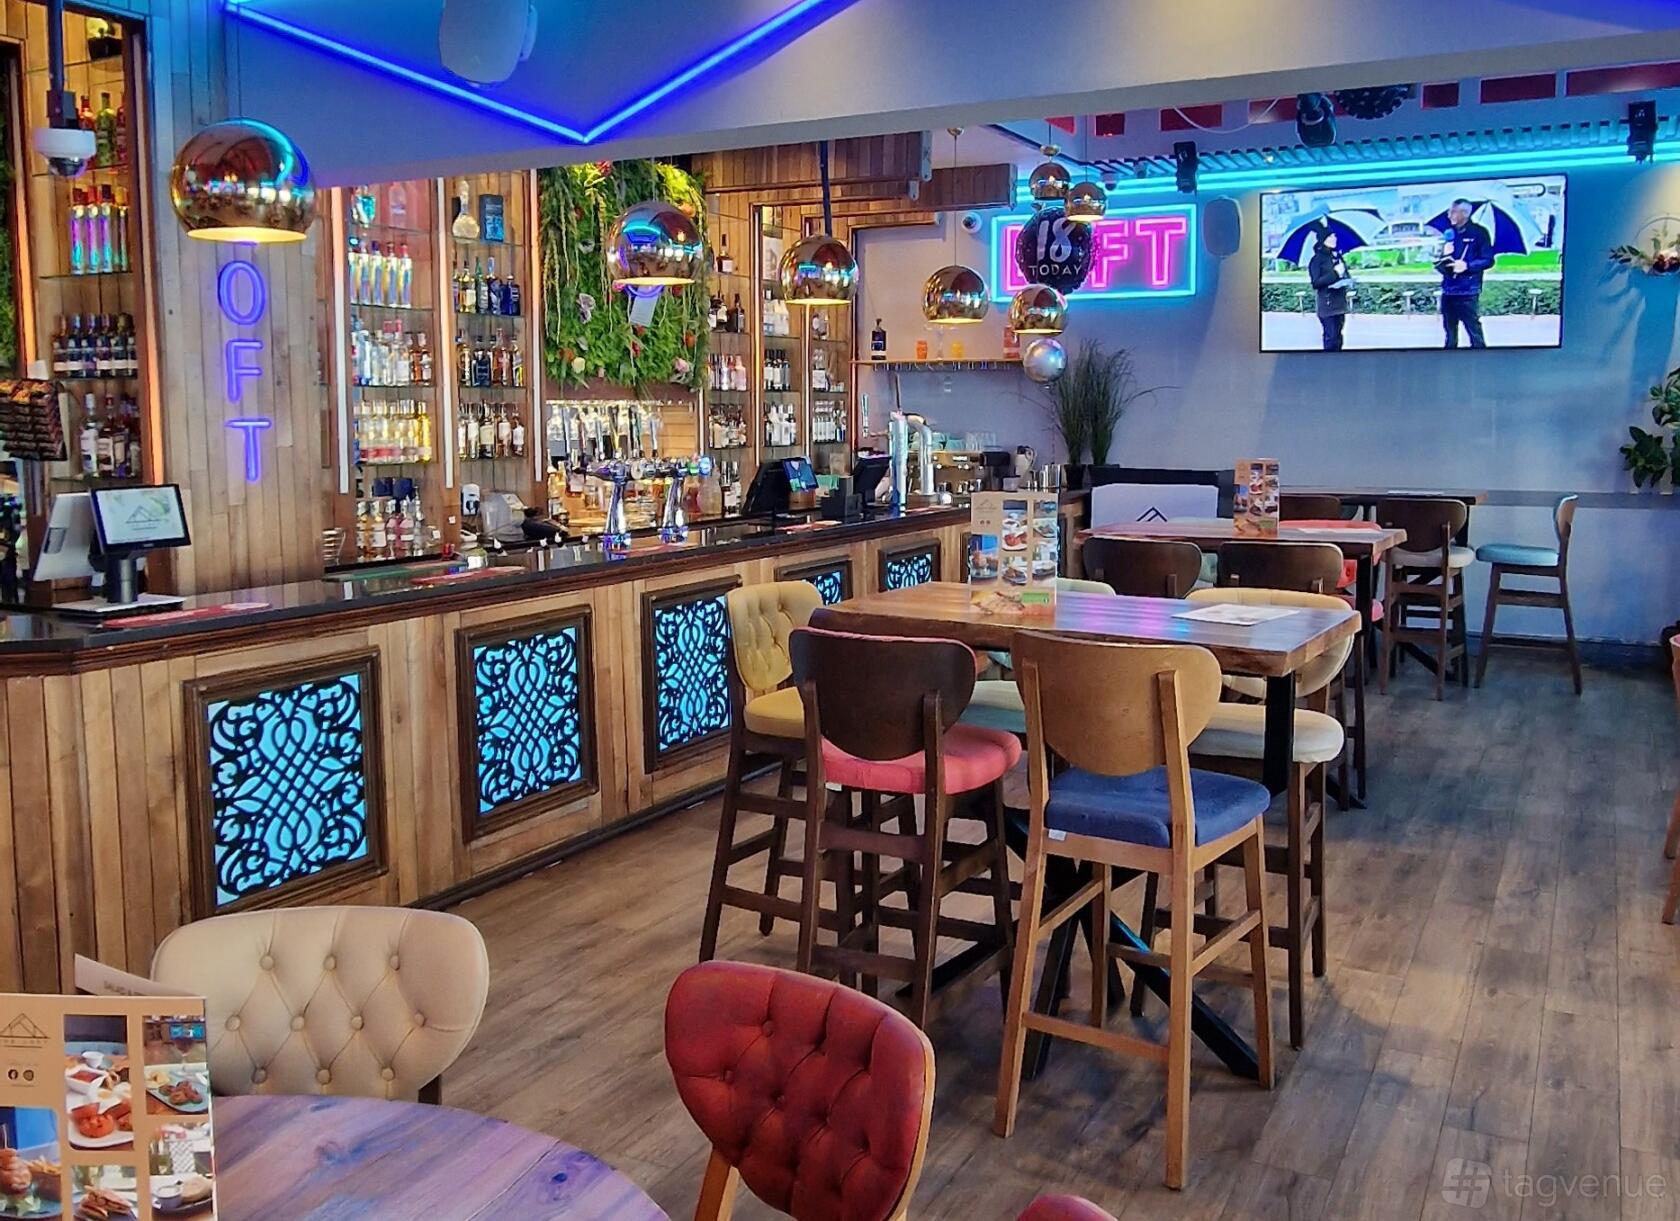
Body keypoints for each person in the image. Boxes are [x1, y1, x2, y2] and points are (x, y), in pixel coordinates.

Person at [1437, 199, 1494, 348]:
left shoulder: (1479, 233)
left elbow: (1488, 260)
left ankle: (1480, 356)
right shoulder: (1449, 233)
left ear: (1465, 214)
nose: (1449, 215)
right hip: (1448, 290)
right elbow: (1442, 264)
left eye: (1453, 212)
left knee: (1473, 330)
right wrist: (1444, 257)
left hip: (1468, 291)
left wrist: (1467, 266)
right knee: (1450, 333)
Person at [1307, 226, 1353, 351]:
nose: (1334, 238)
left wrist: (1346, 278)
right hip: (1327, 306)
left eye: (1335, 236)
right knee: (1331, 338)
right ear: (1323, 240)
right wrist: (1335, 273)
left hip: (1340, 303)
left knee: (1338, 337)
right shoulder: (1316, 260)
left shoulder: (1337, 256)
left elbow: (1343, 275)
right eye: (1331, 236)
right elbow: (1316, 283)